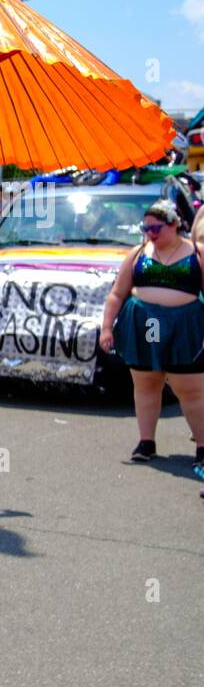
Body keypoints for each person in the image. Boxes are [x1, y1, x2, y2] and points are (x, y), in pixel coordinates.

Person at [100, 201, 204, 481]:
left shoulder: (197, 253)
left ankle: (203, 447)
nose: (149, 233)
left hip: (186, 327)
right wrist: (107, 328)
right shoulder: (137, 254)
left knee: (191, 389)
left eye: (155, 228)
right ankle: (146, 442)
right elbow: (117, 294)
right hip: (144, 325)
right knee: (146, 384)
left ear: (174, 224)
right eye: (145, 228)